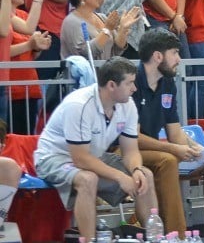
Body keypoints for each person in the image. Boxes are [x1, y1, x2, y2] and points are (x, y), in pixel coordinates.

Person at [34, 58, 159, 243]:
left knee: (145, 175)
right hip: (54, 158)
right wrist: (119, 176)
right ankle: (89, 240)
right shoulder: (79, 105)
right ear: (111, 85)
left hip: (91, 156)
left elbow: (131, 151)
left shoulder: (128, 104)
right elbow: (80, 160)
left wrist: (135, 170)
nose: (134, 88)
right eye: (130, 83)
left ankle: (154, 237)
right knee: (88, 179)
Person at [133, 30, 204, 242]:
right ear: (158, 56)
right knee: (168, 160)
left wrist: (200, 151)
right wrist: (174, 148)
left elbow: (175, 133)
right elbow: (132, 137)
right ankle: (176, 236)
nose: (179, 59)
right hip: (127, 150)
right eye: (175, 53)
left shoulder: (167, 83)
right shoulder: (132, 81)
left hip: (154, 148)